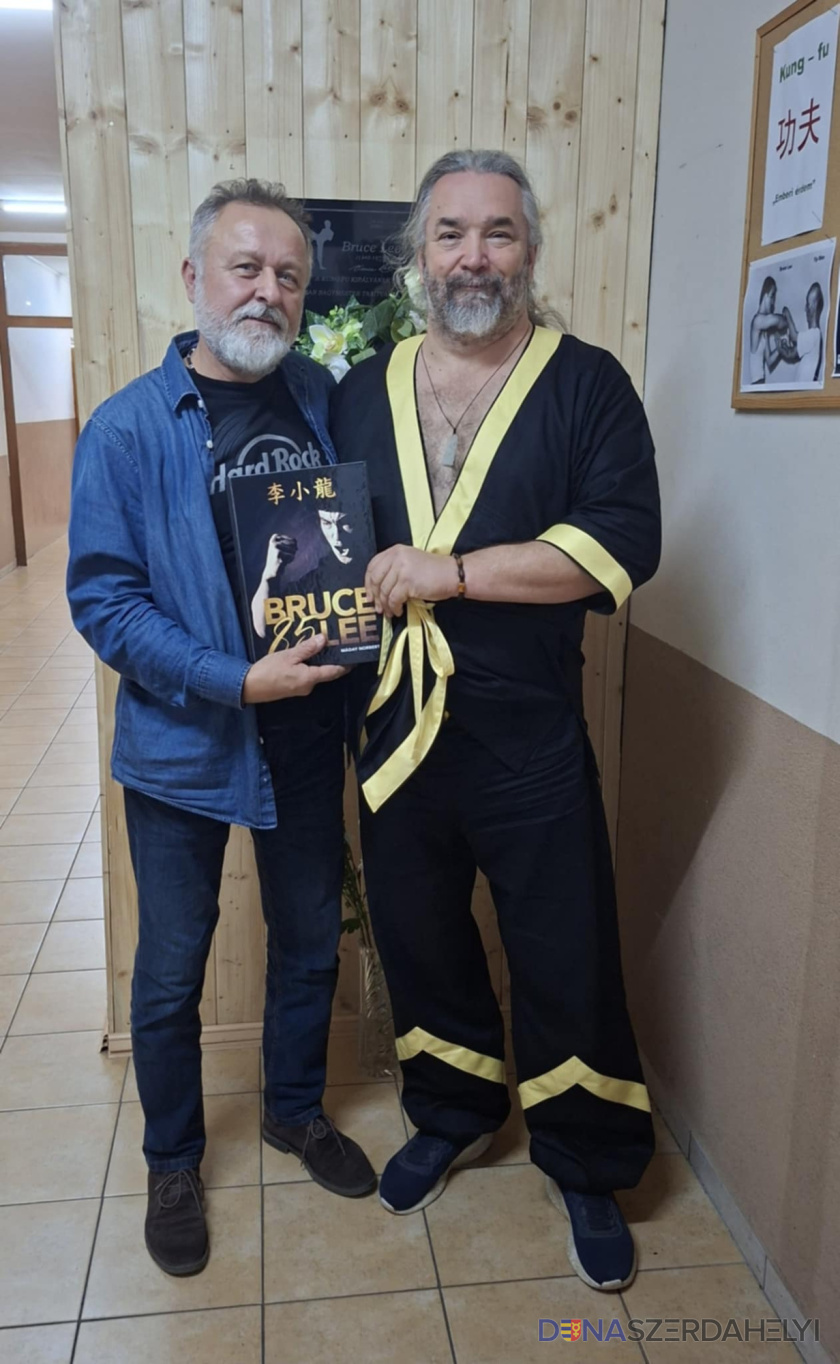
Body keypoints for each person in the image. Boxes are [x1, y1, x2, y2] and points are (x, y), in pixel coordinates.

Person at [331, 150, 662, 1293]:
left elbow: (621, 543)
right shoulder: (363, 387)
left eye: (499, 233)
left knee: (565, 948)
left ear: (531, 250)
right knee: (419, 935)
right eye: (452, 233)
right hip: (396, 728)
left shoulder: (588, 386)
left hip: (529, 733)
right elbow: (323, 546)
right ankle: (455, 1110)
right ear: (418, 255)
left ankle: (586, 1156)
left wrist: (456, 572)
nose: (474, 256)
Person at [67, 180, 376, 1279]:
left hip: (308, 735)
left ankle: (294, 1110)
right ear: (194, 277)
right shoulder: (126, 428)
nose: (267, 291)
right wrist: (233, 680)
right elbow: (104, 602)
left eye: (288, 275)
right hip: (184, 746)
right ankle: (173, 1161)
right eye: (246, 268)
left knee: (309, 941)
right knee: (169, 974)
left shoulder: (324, 397)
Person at [779, 281, 824, 383]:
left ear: (813, 306)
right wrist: (782, 347)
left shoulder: (814, 334)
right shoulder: (812, 337)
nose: (805, 309)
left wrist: (787, 313)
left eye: (807, 304)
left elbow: (794, 336)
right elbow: (791, 353)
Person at [748, 276, 789, 383]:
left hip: (760, 382)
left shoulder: (764, 330)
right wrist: (787, 315)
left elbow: (769, 361)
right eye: (772, 297)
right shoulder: (757, 321)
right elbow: (780, 322)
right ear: (766, 295)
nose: (773, 303)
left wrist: (780, 347)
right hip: (756, 383)